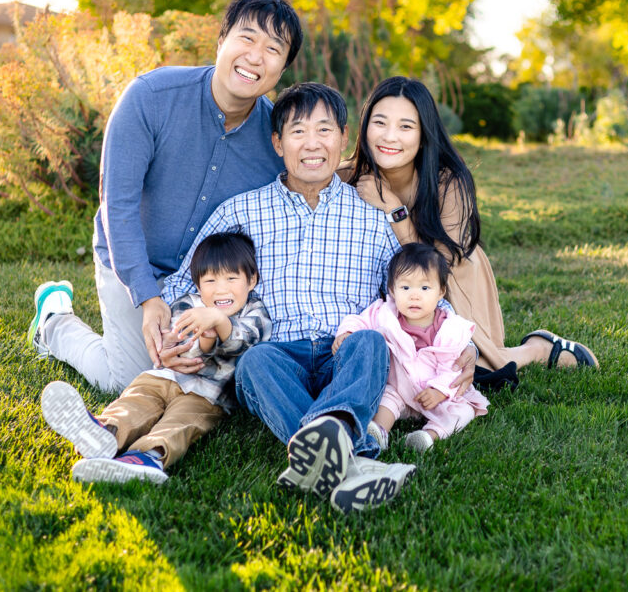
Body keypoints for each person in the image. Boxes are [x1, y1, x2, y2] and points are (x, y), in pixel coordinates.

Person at [162, 83, 470, 512]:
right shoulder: (241, 211)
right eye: (297, 131)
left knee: (371, 343)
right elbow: (181, 285)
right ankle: (357, 459)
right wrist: (169, 330)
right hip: (276, 357)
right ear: (277, 142)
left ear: (343, 139)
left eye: (324, 130)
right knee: (253, 362)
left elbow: (415, 289)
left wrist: (461, 340)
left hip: (343, 354)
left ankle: (325, 456)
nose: (312, 144)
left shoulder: (370, 217)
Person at [28, 0, 302, 394]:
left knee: (191, 376)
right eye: (246, 38)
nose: (256, 56)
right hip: (130, 260)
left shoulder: (275, 142)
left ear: (282, 69)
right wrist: (146, 296)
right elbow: (116, 207)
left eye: (273, 48)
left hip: (204, 282)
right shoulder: (150, 97)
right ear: (221, 40)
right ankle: (54, 322)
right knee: (128, 382)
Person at [343, 76, 599, 390]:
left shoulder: (449, 182)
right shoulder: (347, 176)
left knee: (464, 370)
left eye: (406, 127)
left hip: (449, 278)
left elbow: (439, 265)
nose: (390, 137)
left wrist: (395, 209)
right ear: (365, 125)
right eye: (380, 123)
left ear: (424, 134)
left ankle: (535, 349)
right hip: (383, 285)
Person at [40, 231, 271, 484]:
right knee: (136, 402)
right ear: (197, 284)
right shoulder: (188, 304)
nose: (221, 289)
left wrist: (217, 323)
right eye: (211, 281)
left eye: (231, 278)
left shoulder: (256, 312)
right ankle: (104, 431)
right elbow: (179, 346)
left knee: (181, 423)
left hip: (207, 395)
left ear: (252, 280)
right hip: (163, 377)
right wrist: (187, 340)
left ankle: (146, 457)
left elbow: (244, 341)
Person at [335, 243, 489, 453]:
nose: (414, 296)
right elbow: (360, 321)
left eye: (425, 288)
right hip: (401, 387)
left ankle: (428, 436)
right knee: (387, 397)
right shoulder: (385, 314)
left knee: (462, 411)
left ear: (441, 292)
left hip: (435, 394)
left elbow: (452, 368)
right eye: (405, 288)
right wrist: (348, 332)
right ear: (392, 290)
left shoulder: (450, 328)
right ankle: (379, 430)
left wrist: (439, 392)